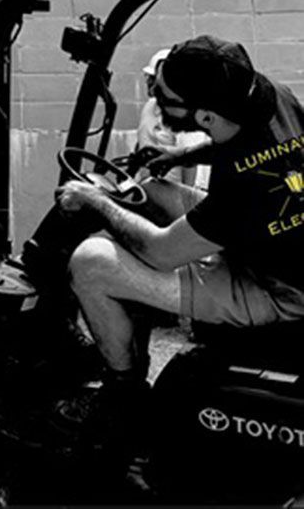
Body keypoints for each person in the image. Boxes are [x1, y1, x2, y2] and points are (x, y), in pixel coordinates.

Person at [52, 35, 304, 448]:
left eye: (165, 95)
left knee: (91, 262)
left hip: (281, 290)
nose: (154, 95)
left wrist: (94, 200)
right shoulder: (272, 96)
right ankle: (127, 331)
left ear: (205, 115)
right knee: (153, 191)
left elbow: (160, 251)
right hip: (277, 239)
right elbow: (234, 141)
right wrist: (181, 157)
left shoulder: (244, 187)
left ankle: (122, 391)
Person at [136, 47, 209, 187]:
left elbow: (191, 162)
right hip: (148, 188)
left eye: (153, 79)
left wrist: (187, 200)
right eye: (148, 79)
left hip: (174, 192)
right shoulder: (150, 106)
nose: (149, 84)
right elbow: (143, 140)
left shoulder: (184, 112)